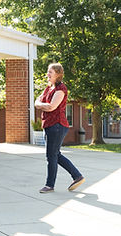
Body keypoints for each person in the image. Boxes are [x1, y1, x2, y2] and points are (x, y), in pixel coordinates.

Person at [35, 63, 85, 193]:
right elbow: (36, 102)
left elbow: (51, 107)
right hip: (49, 125)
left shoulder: (61, 89)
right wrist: (41, 104)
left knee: (51, 156)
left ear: (58, 74)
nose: (48, 74)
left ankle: (49, 185)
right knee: (55, 155)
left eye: (50, 72)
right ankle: (77, 176)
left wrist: (41, 104)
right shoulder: (48, 88)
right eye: (48, 72)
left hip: (57, 126)